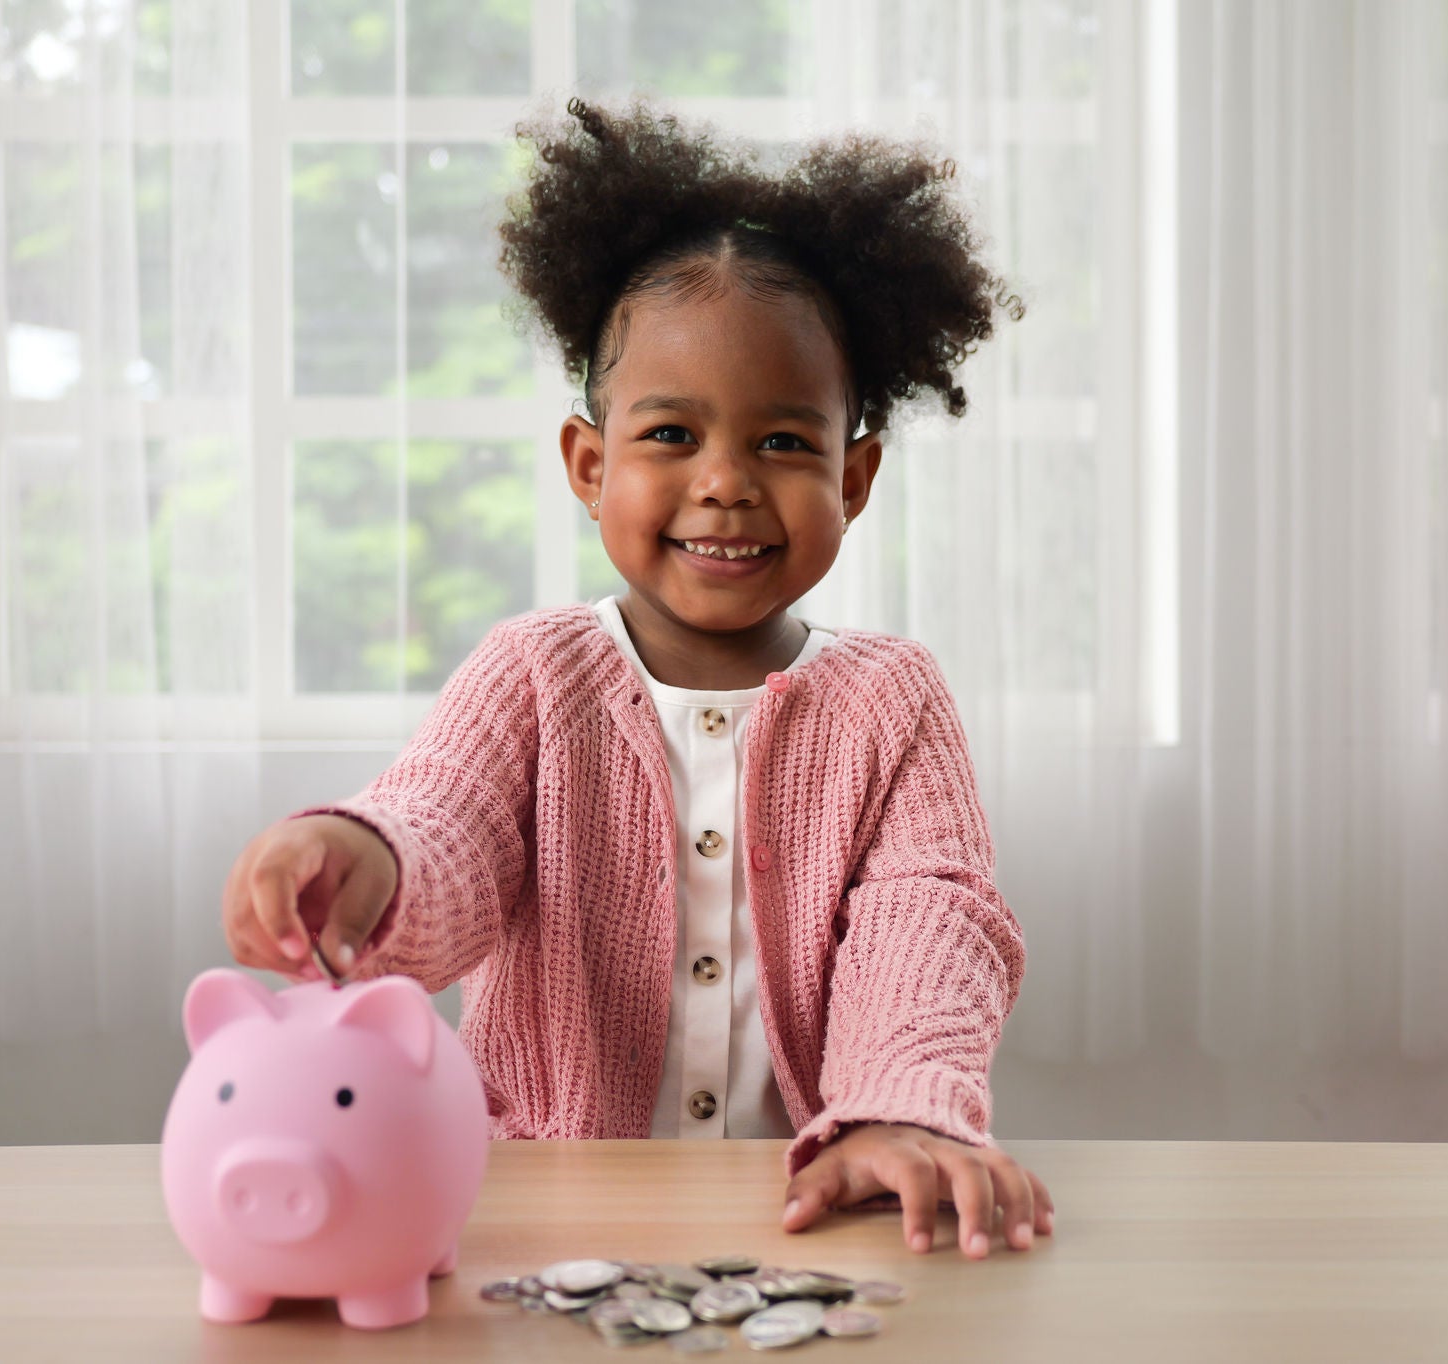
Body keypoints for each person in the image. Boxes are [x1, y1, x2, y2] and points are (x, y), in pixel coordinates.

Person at [221, 97, 1053, 1260]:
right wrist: (371, 856)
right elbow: (444, 823)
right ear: (587, 461)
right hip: (538, 1218)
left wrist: (900, 1106)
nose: (724, 483)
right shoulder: (533, 672)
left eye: (781, 441)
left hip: (813, 1218)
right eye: (670, 435)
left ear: (853, 477)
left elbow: (931, 917)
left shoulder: (892, 698)